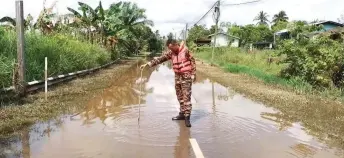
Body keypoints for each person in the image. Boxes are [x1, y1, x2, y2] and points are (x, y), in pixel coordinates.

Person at [140, 39, 196, 127]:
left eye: (172, 48)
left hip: (186, 76)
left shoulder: (185, 50)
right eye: (170, 49)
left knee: (186, 97)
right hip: (177, 77)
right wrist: (147, 64)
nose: (172, 50)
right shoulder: (171, 53)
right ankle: (182, 114)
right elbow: (160, 59)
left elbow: (192, 61)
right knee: (180, 96)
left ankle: (187, 118)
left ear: (175, 44)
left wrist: (193, 74)